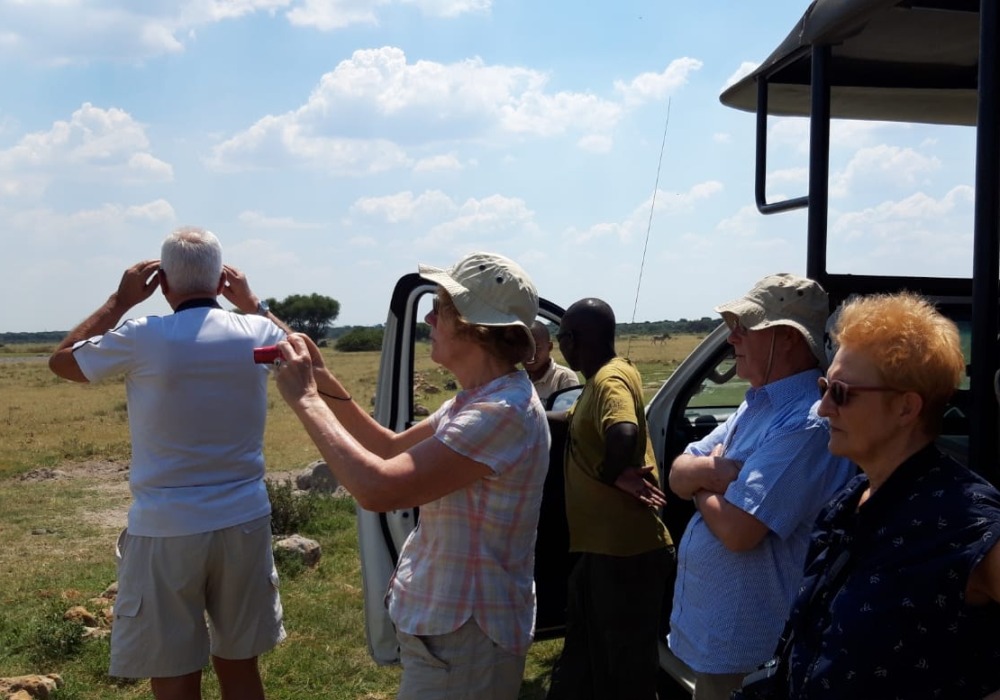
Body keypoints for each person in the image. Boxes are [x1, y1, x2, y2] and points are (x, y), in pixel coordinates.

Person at [272, 251, 550, 700]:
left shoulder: (502, 412)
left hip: (465, 639)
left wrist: (306, 401)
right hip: (454, 632)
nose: (428, 318)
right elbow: (386, 446)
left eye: (440, 309)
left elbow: (379, 488)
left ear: (474, 327)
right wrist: (322, 378)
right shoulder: (478, 400)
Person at [48, 226, 290, 700]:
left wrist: (118, 303)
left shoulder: (143, 336)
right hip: (244, 519)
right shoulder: (257, 331)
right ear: (222, 278)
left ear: (161, 283)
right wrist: (253, 302)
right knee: (241, 663)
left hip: (165, 526)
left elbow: (63, 362)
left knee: (174, 670)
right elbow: (309, 356)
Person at [739, 291, 1000, 699]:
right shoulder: (852, 500)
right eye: (824, 386)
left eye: (840, 392)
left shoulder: (964, 520)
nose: (823, 407)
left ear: (905, 408)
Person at [667, 273, 856, 700]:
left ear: (787, 338)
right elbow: (678, 470)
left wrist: (701, 482)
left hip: (750, 653)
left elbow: (739, 531)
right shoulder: (758, 406)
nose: (732, 338)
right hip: (724, 643)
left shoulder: (807, 421)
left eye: (744, 327)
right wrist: (719, 477)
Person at [545, 297, 674, 700]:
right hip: (602, 552)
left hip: (625, 556)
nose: (560, 345)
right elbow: (571, 425)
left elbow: (624, 432)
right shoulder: (601, 380)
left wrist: (610, 473)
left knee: (626, 675)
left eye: (561, 336)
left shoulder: (608, 381)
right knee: (586, 663)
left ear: (574, 340)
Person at [524, 320, 579, 402]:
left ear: (549, 347)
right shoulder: (518, 379)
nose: (529, 354)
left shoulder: (564, 377)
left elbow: (570, 413)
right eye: (524, 347)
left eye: (536, 348)